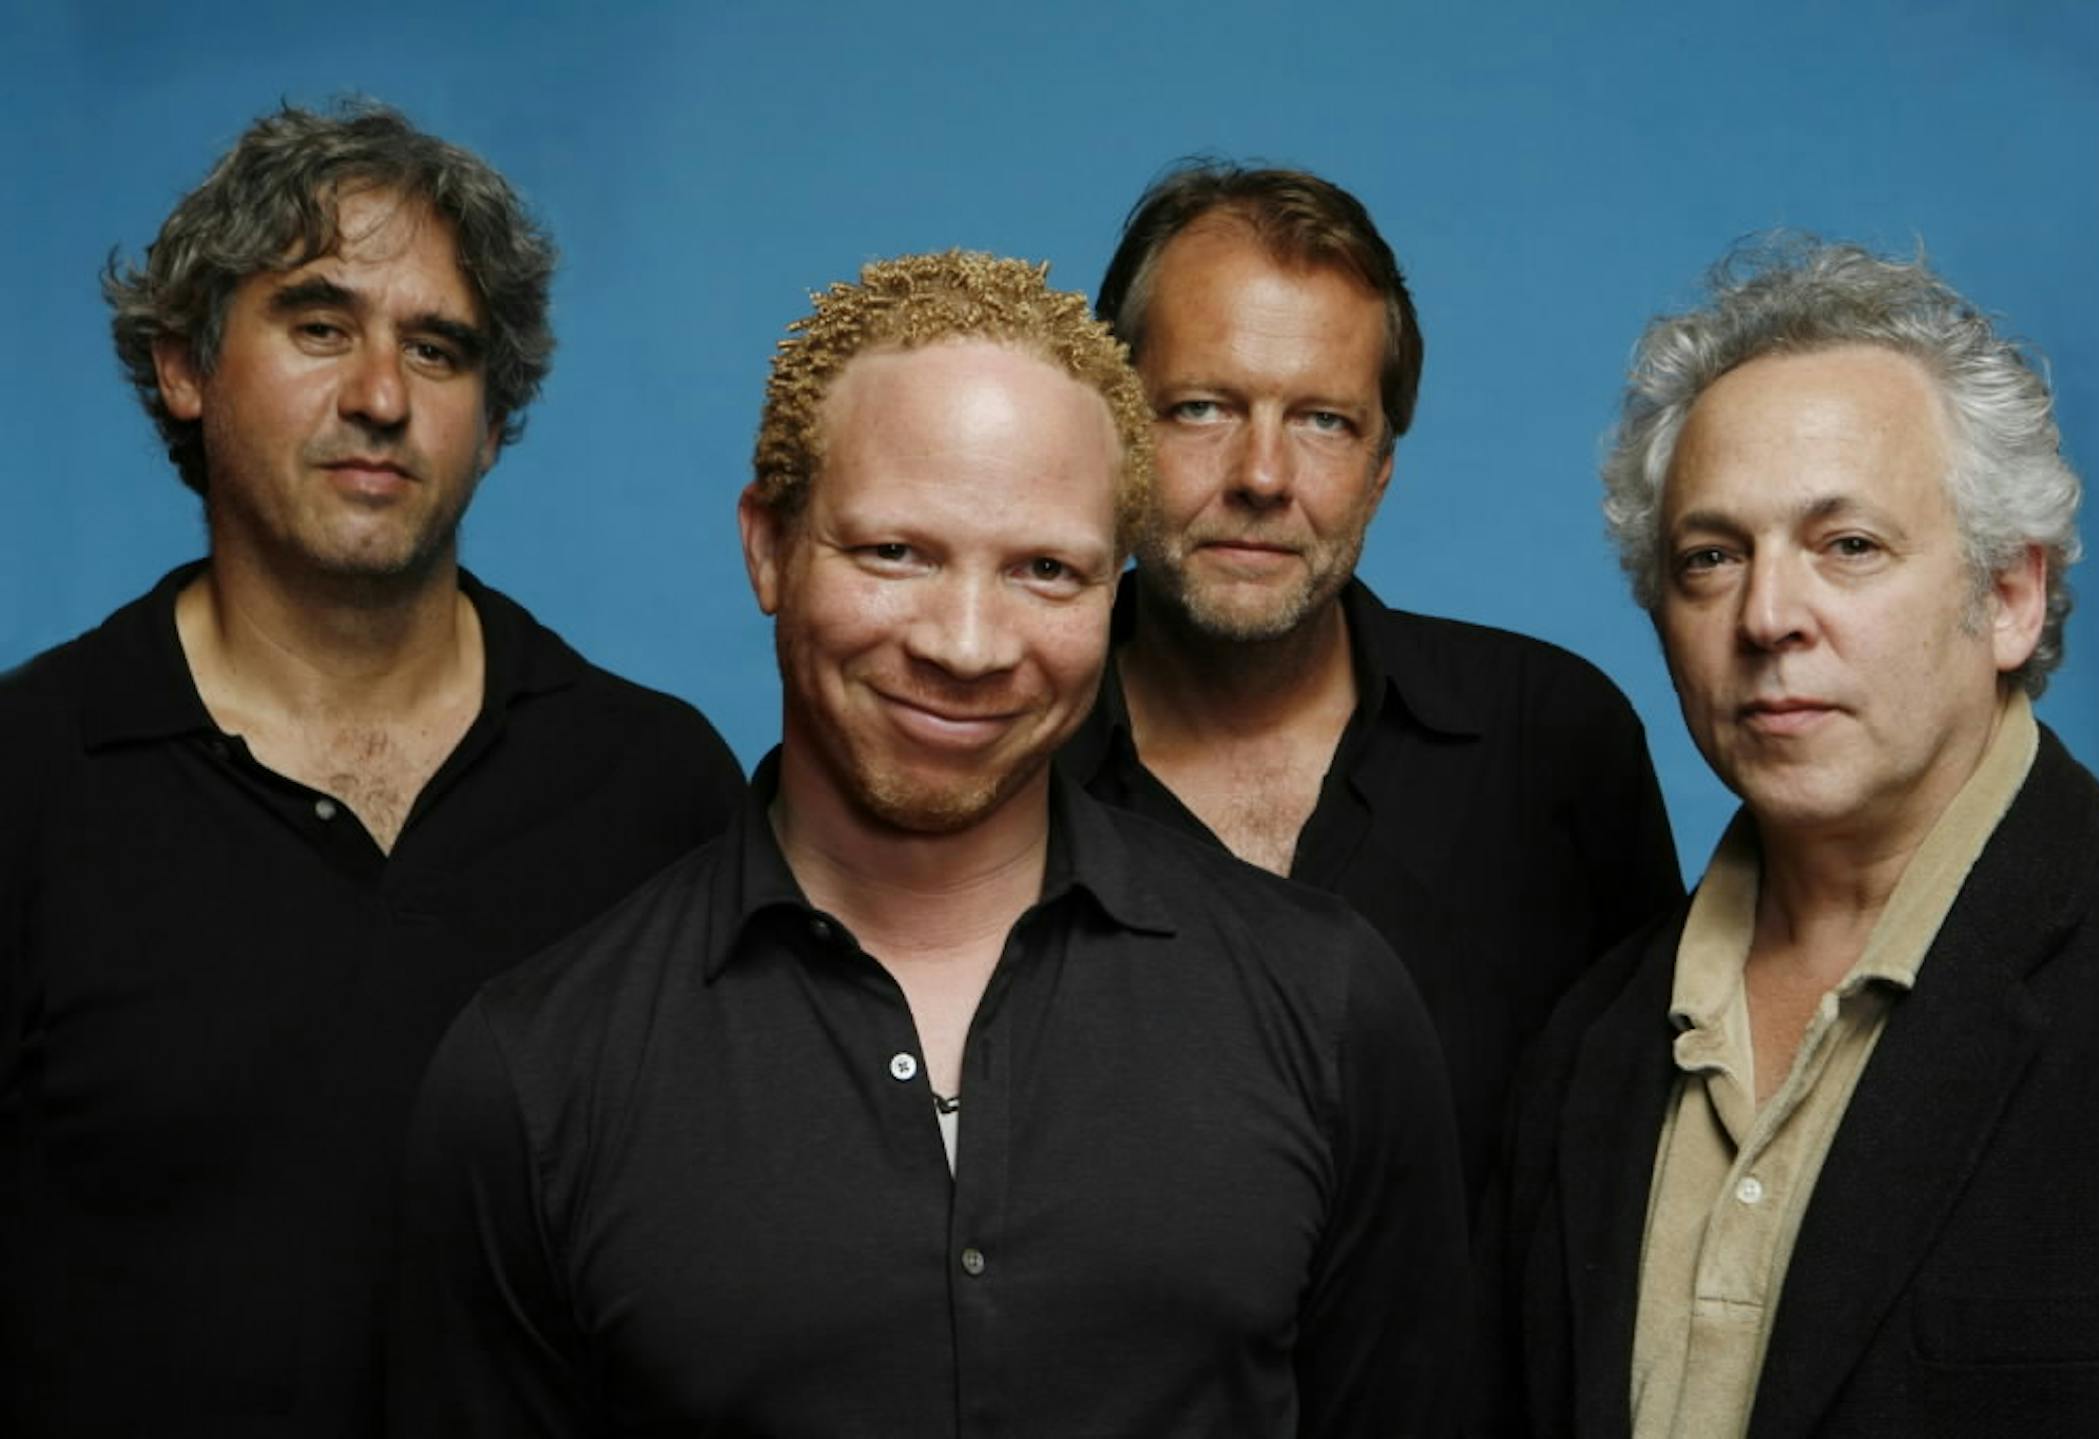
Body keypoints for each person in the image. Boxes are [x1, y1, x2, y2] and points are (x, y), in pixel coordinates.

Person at [393, 251, 1465, 1437]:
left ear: (1114, 591)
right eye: (896, 552)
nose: (966, 644)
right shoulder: (537, 1072)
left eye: (1044, 570)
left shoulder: (1327, 1003)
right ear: (767, 545)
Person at [0, 101, 743, 1437]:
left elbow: (746, 1264)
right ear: (184, 364)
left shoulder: (657, 784)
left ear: (495, 420)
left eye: (440, 350)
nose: (382, 398)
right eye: (319, 324)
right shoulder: (28, 774)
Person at [1473, 237, 2099, 1436]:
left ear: (2010, 597)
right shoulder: (1588, 1047)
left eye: (1849, 545)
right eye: (1711, 557)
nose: (1769, 616)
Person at [1060, 162, 1682, 1204]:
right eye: (1204, 406)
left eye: (1324, 422)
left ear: (1381, 468)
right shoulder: (1003, 761)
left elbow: (1649, 1170)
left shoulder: (1555, 742)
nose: (1262, 475)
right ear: (1112, 433)